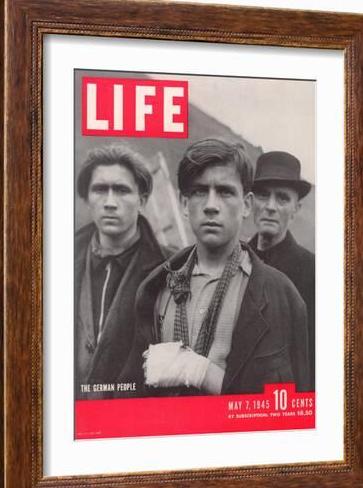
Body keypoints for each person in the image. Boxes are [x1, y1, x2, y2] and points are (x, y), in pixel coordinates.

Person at [118, 139, 310, 397]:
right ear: (184, 204)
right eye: (199, 191)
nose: (211, 205)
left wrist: (197, 370)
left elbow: (289, 406)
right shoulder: (154, 288)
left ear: (246, 204)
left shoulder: (282, 296)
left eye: (225, 191)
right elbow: (129, 398)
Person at [75, 145, 173, 399]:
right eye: (99, 190)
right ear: (86, 198)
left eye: (121, 190)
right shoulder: (54, 262)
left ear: (141, 201)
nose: (109, 202)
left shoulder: (172, 267)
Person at [248, 151, 315, 390]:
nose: (270, 207)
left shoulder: (313, 272)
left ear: (296, 208)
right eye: (263, 195)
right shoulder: (234, 262)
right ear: (250, 201)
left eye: (282, 199)